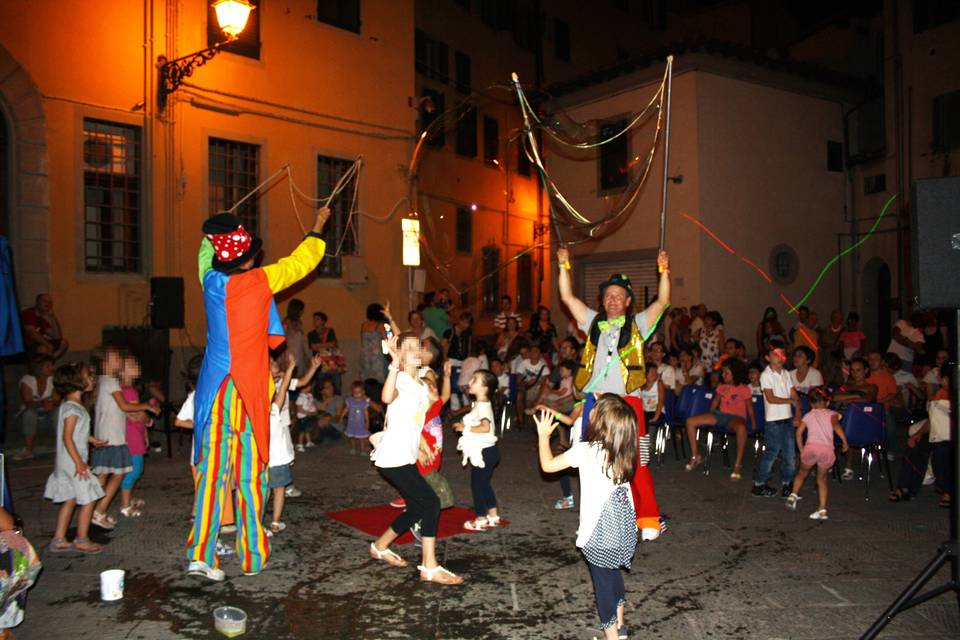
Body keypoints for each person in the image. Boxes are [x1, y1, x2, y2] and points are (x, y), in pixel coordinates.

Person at [188, 206, 331, 581]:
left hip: (215, 392)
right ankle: (251, 555)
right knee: (251, 478)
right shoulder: (258, 282)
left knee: (213, 475)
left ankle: (201, 555)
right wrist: (317, 225)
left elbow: (205, 257)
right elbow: (301, 262)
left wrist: (210, 235)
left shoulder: (209, 282)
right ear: (250, 258)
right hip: (247, 393)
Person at [557, 246, 670, 540]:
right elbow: (567, 298)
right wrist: (563, 266)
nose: (613, 299)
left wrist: (663, 270)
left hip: (628, 402)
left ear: (628, 301)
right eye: (608, 294)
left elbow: (664, 300)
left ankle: (647, 518)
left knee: (637, 461)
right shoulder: (593, 321)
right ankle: (604, 515)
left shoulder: (638, 325)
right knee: (596, 462)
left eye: (619, 295)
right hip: (595, 402)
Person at [534, 396, 639, 639]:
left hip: (600, 531)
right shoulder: (624, 450)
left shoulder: (587, 451)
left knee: (602, 585)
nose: (589, 412)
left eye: (594, 410)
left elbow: (548, 465)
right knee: (613, 574)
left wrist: (542, 436)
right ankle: (620, 627)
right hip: (623, 528)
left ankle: (611, 636)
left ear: (600, 422)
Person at [368, 333, 463, 585]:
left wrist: (422, 446)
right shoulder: (398, 378)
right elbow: (386, 398)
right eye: (408, 347)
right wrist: (393, 363)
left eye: (417, 346)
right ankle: (429, 566)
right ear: (399, 353)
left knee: (419, 506)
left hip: (406, 454)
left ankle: (380, 546)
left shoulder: (421, 384)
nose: (415, 350)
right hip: (392, 456)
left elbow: (419, 418)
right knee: (431, 502)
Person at [90, 348, 158, 530]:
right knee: (118, 475)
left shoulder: (105, 382)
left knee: (104, 476)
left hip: (107, 438)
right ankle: (100, 511)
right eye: (116, 358)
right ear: (104, 363)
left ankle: (93, 510)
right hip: (114, 438)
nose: (119, 360)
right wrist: (148, 407)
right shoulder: (112, 383)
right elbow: (127, 408)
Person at [44, 362, 106, 554]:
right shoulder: (73, 409)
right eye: (88, 375)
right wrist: (79, 462)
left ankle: (59, 538)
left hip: (65, 462)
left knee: (70, 499)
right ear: (76, 382)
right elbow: (67, 437)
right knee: (88, 499)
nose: (92, 379)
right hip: (74, 463)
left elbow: (73, 433)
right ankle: (82, 538)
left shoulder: (69, 405)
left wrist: (90, 439)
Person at [889, 367, 952, 507]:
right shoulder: (941, 393)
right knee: (914, 445)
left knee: (941, 450)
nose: (942, 381)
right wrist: (918, 434)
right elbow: (933, 420)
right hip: (939, 433)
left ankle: (947, 490)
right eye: (943, 378)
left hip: (950, 436)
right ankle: (905, 487)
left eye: (946, 379)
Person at [684, 359, 755, 480]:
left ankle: (738, 464)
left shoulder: (744, 389)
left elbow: (750, 408)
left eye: (726, 373)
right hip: (720, 415)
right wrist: (709, 416)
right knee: (690, 421)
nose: (723, 375)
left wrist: (753, 424)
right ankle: (696, 456)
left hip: (736, 417)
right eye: (723, 372)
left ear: (735, 373)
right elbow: (715, 402)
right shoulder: (721, 387)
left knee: (741, 428)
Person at [785, 387, 849, 520]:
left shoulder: (808, 415)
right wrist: (844, 441)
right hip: (826, 450)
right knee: (822, 480)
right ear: (827, 402)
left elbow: (798, 433)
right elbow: (837, 427)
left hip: (811, 448)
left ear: (811, 404)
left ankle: (793, 495)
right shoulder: (833, 414)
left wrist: (802, 449)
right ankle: (822, 509)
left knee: (802, 473)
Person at [455, 370, 501, 531]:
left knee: (477, 486)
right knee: (484, 484)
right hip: (488, 452)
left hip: (484, 452)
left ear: (485, 388)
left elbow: (485, 427)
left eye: (475, 379)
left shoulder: (482, 406)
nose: (470, 381)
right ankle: (493, 515)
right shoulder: (481, 404)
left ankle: (481, 518)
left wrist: (465, 427)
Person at [752, 346, 801, 497]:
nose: (779, 357)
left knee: (790, 454)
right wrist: (790, 401)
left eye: (782, 354)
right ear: (767, 358)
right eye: (775, 355)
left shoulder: (786, 373)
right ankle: (760, 484)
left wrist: (797, 414)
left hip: (786, 419)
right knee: (771, 453)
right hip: (774, 421)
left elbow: (795, 395)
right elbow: (770, 398)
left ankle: (788, 483)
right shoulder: (766, 375)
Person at [833, 357, 879, 480]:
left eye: (858, 370)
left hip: (863, 420)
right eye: (852, 370)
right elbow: (835, 397)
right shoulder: (846, 386)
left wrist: (848, 398)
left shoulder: (872, 387)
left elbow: (867, 399)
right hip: (844, 417)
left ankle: (848, 466)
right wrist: (857, 394)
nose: (854, 373)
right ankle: (829, 460)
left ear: (866, 371)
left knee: (850, 424)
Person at [267, 353, 298, 535]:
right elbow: (283, 389)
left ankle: (257, 520)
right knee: (278, 491)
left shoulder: (252, 415)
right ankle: (276, 522)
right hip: (278, 459)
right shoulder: (273, 411)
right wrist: (290, 369)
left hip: (261, 460)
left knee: (264, 491)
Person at [118, 354, 151, 518]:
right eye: (130, 365)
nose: (136, 366)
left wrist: (145, 431)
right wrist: (148, 417)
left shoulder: (128, 391)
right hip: (131, 437)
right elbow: (133, 415)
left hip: (134, 435)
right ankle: (125, 505)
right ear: (121, 372)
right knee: (134, 470)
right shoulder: (128, 391)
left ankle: (128, 498)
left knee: (133, 470)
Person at [12, 353, 55, 461]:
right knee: (30, 413)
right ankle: (28, 449)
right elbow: (28, 403)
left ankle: (63, 445)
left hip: (47, 414)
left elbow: (56, 398)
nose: (52, 368)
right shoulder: (27, 380)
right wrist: (43, 403)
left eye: (51, 365)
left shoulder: (52, 379)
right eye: (48, 366)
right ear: (39, 368)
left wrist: (52, 404)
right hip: (28, 415)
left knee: (59, 411)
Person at [20, 293, 68, 359]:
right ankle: (46, 366)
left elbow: (57, 336)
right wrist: (47, 344)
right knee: (44, 348)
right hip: (25, 346)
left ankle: (49, 363)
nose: (47, 304)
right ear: (37, 302)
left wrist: (52, 317)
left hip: (36, 345)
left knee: (63, 343)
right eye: (44, 301)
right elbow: (32, 332)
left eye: (50, 302)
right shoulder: (28, 313)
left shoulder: (42, 320)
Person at [308, 311, 343, 395]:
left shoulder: (330, 331)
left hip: (332, 364)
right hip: (319, 365)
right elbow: (313, 347)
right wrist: (326, 345)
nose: (315, 321)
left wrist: (318, 346)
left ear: (323, 321)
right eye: (314, 319)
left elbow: (333, 344)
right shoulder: (311, 334)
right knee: (319, 387)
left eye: (317, 319)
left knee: (336, 386)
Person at [282, 299, 313, 376]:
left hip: (299, 355)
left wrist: (306, 357)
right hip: (289, 356)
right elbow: (282, 341)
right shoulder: (286, 323)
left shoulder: (299, 322)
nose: (302, 311)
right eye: (301, 309)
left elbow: (300, 343)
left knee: (298, 380)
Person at [360, 304, 388, 384]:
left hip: (365, 354)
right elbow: (386, 340)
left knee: (366, 377)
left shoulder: (364, 325)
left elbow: (362, 339)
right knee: (378, 379)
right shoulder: (380, 325)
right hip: (376, 355)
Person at [344, 380, 373, 454]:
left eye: (359, 392)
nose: (356, 394)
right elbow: (346, 409)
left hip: (360, 424)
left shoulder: (364, 403)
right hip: (351, 423)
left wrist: (367, 422)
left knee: (361, 437)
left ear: (363, 392)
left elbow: (366, 414)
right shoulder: (350, 401)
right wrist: (342, 416)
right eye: (354, 393)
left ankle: (362, 449)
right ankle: (353, 447)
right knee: (352, 437)